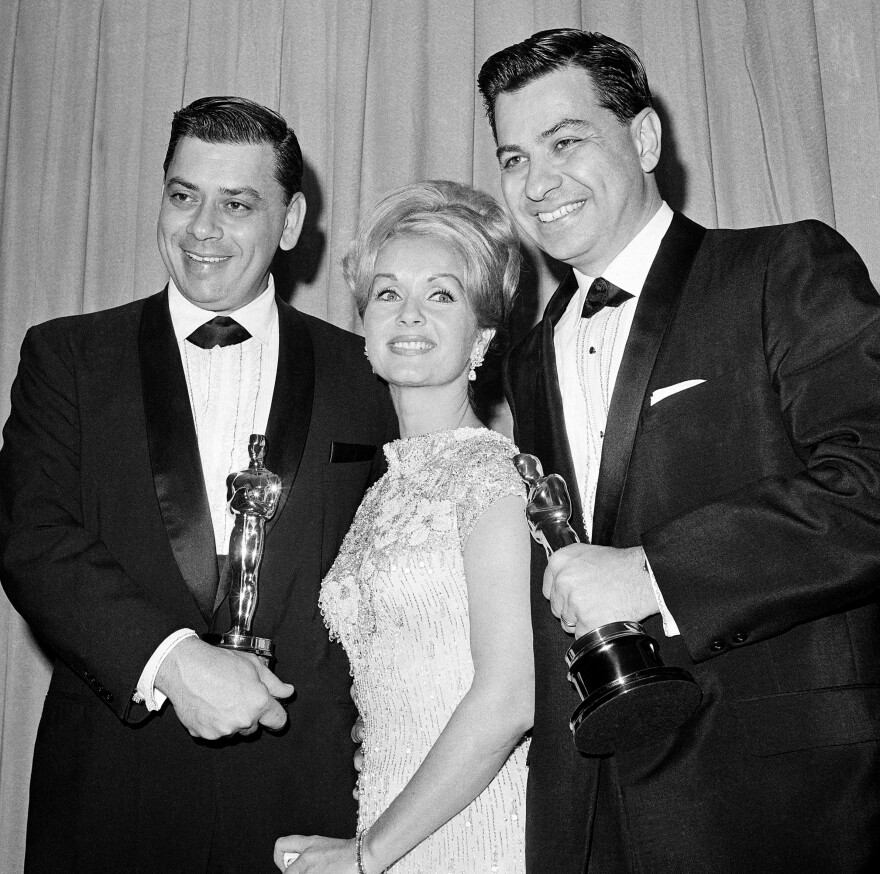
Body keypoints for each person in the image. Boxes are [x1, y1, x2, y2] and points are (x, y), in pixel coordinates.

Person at [477, 28, 880, 874]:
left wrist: (653, 574)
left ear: (646, 137)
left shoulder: (780, 268)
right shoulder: (525, 355)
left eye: (565, 142)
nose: (537, 182)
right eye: (513, 158)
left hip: (785, 800)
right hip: (595, 811)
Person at [0, 96, 396, 873]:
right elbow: (31, 537)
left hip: (310, 805)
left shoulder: (370, 374)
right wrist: (172, 659)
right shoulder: (66, 357)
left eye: (237, 204)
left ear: (289, 222)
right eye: (184, 196)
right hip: (111, 796)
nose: (202, 230)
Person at [273, 180, 533, 873]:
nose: (408, 314)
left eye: (440, 294)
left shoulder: (492, 477)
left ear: (482, 335)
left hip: (475, 831)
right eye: (387, 294)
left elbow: (510, 697)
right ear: (364, 327)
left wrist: (367, 855)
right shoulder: (381, 489)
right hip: (391, 815)